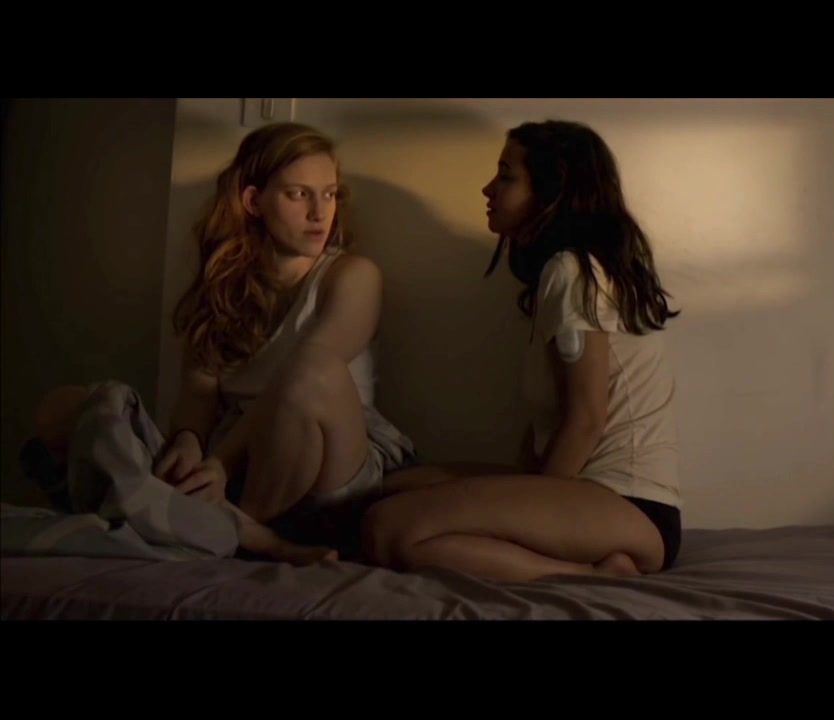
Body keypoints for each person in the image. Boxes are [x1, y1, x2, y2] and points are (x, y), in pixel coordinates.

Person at [28, 121, 415, 565]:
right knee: (64, 408)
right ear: (253, 201)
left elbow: (307, 373)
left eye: (329, 194)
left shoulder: (353, 276)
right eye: (299, 194)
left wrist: (220, 464)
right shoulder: (224, 285)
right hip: (234, 467)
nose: (319, 212)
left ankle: (244, 535)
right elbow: (199, 395)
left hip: (326, 463)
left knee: (311, 374)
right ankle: (210, 525)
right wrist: (189, 441)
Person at [361, 119, 683, 582]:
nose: (488, 188)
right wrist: (505, 500)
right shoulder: (568, 272)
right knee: (391, 488)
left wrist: (528, 512)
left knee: (385, 528)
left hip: (628, 504)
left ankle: (595, 576)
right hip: (602, 500)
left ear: (551, 191)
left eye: (506, 176)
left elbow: (586, 419)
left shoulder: (572, 271)